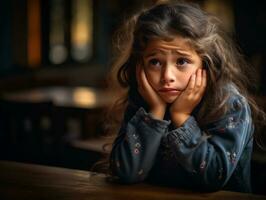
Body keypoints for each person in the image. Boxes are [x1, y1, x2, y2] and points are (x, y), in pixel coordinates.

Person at [106, 0, 266, 193]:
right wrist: (155, 114)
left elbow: (215, 176)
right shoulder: (145, 100)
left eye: (182, 61)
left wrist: (181, 118)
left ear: (205, 62)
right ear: (140, 66)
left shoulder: (229, 104)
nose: (167, 77)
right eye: (155, 62)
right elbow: (125, 172)